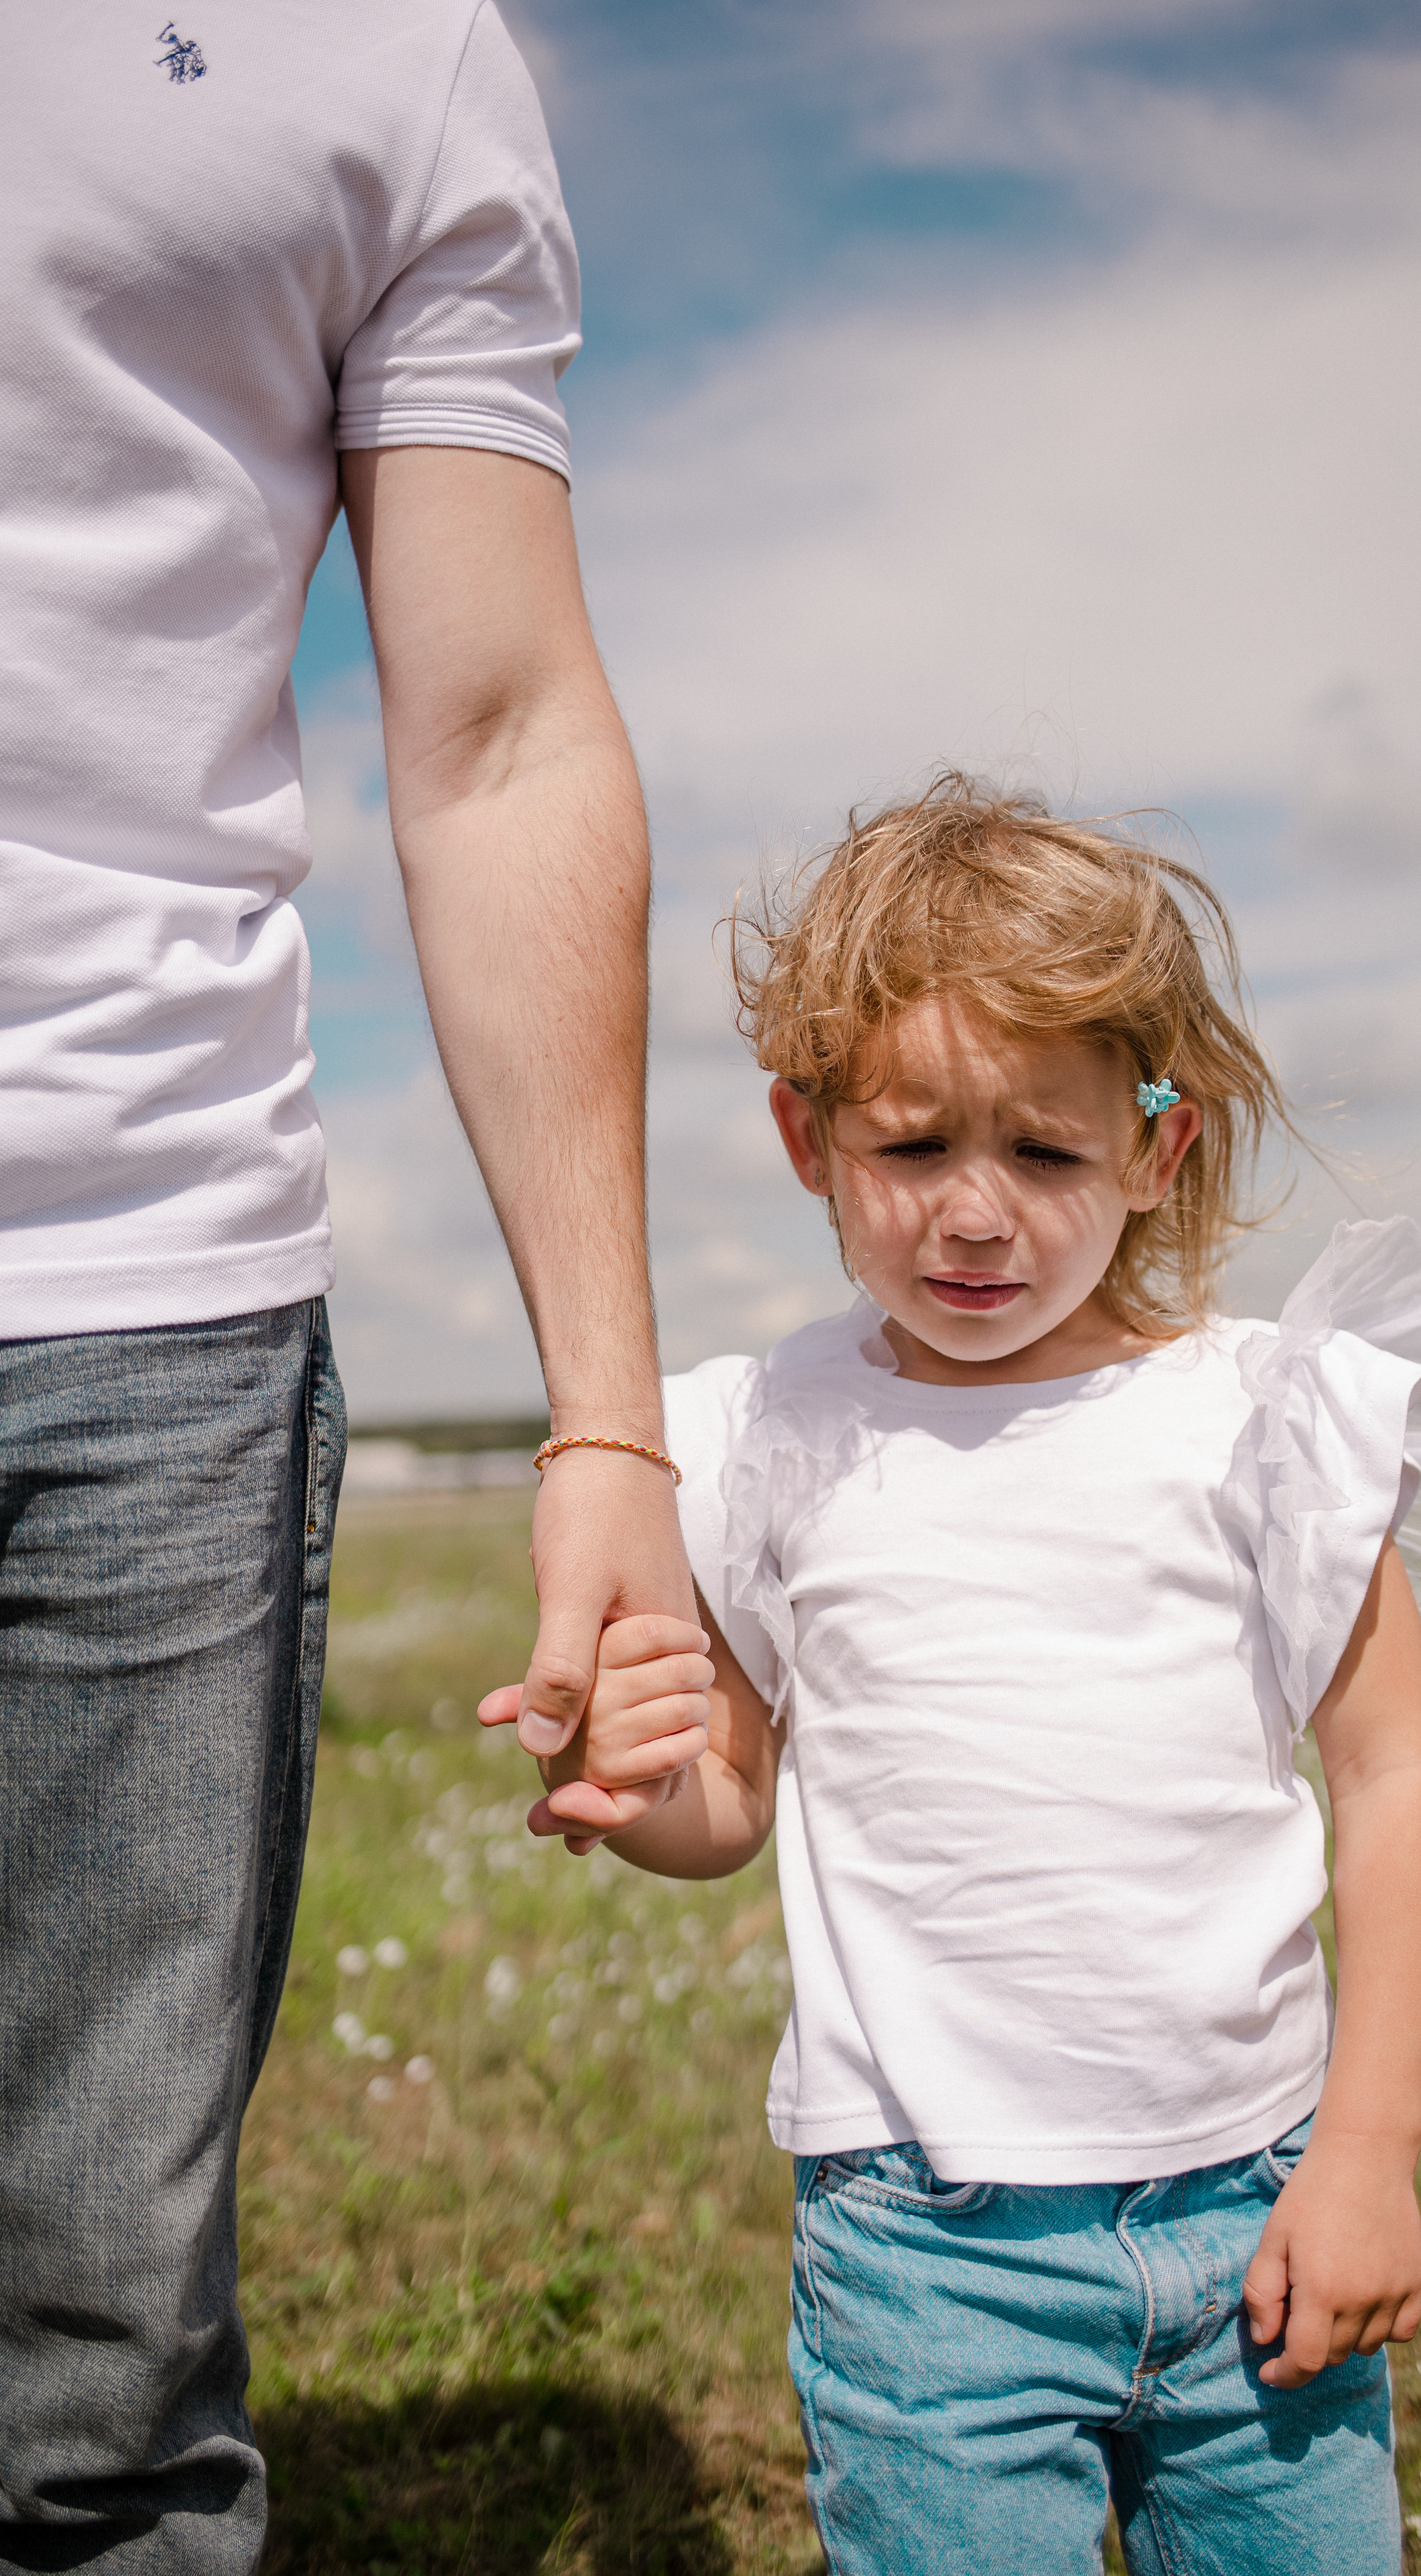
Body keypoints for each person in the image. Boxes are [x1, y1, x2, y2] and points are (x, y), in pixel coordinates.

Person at [1, 5, 691, 2565]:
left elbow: (498, 731)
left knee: (96, 2373)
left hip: (157, 1299)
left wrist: (605, 1415)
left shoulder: (399, 54)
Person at [506, 775, 1421, 2573]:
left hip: (1262, 2192)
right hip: (924, 2252)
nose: (974, 1214)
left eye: (1044, 1153)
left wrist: (1370, 2152)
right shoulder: (771, 1437)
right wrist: (638, 1791)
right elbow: (734, 1802)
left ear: (1155, 1151)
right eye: (910, 1149)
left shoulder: (1263, 1417)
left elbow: (1394, 1777)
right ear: (808, 1140)